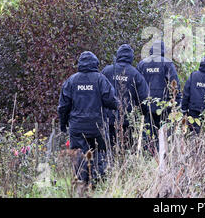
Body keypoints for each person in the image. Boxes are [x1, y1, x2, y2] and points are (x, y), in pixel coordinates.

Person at [57, 51, 119, 184]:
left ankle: (81, 184)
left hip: (77, 126)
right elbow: (112, 101)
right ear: (95, 63)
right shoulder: (100, 79)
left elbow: (63, 107)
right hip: (98, 125)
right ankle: (98, 183)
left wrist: (63, 125)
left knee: (79, 155)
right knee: (100, 153)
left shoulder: (71, 81)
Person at [101, 44, 149, 148]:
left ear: (118, 56)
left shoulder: (106, 71)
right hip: (128, 121)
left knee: (108, 150)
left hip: (108, 120)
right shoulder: (136, 74)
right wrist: (144, 113)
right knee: (127, 149)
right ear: (131, 57)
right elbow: (144, 98)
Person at [137, 40, 181, 147]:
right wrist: (178, 102)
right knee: (163, 135)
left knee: (148, 133)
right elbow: (174, 84)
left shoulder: (142, 64)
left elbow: (136, 85)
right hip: (164, 106)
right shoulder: (167, 63)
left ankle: (148, 155)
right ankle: (161, 155)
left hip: (146, 106)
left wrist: (138, 105)